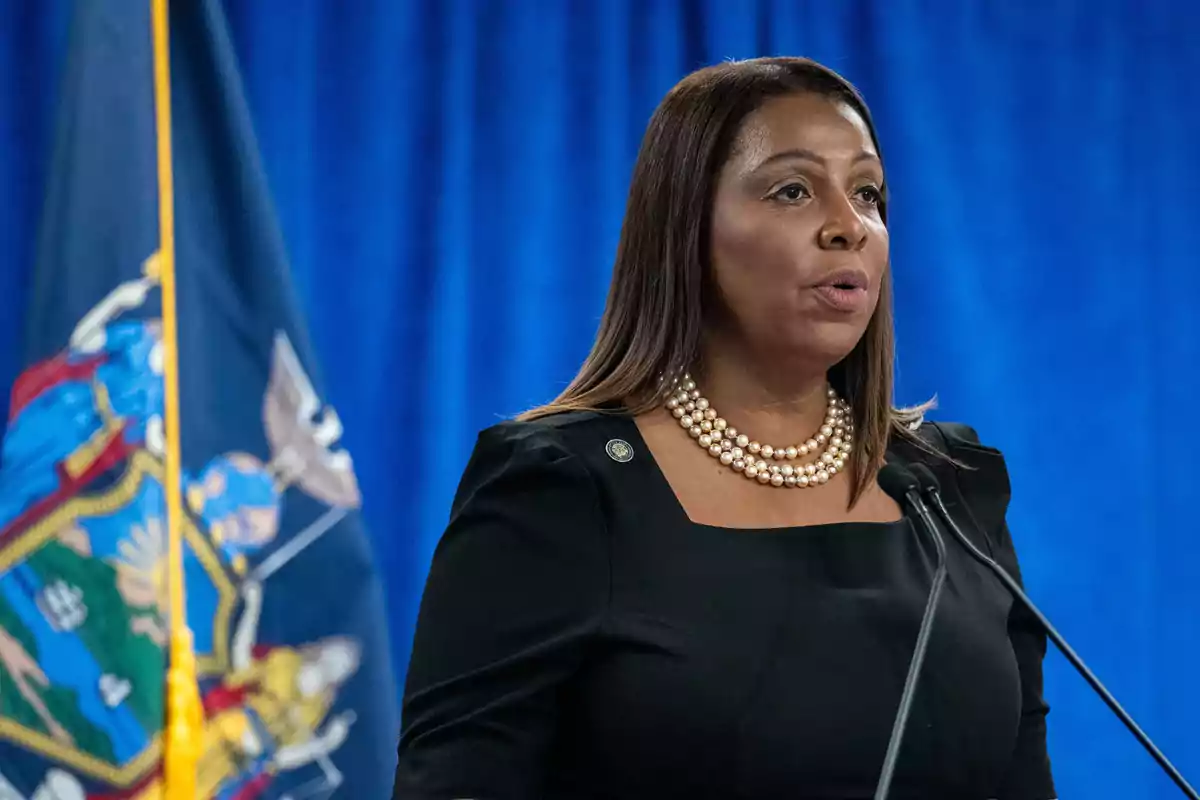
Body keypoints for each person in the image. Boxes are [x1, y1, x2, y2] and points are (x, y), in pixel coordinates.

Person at [393, 57, 1055, 800]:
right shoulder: (561, 491)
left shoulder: (951, 489)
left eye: (867, 193)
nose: (849, 226)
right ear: (687, 228)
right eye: (794, 190)